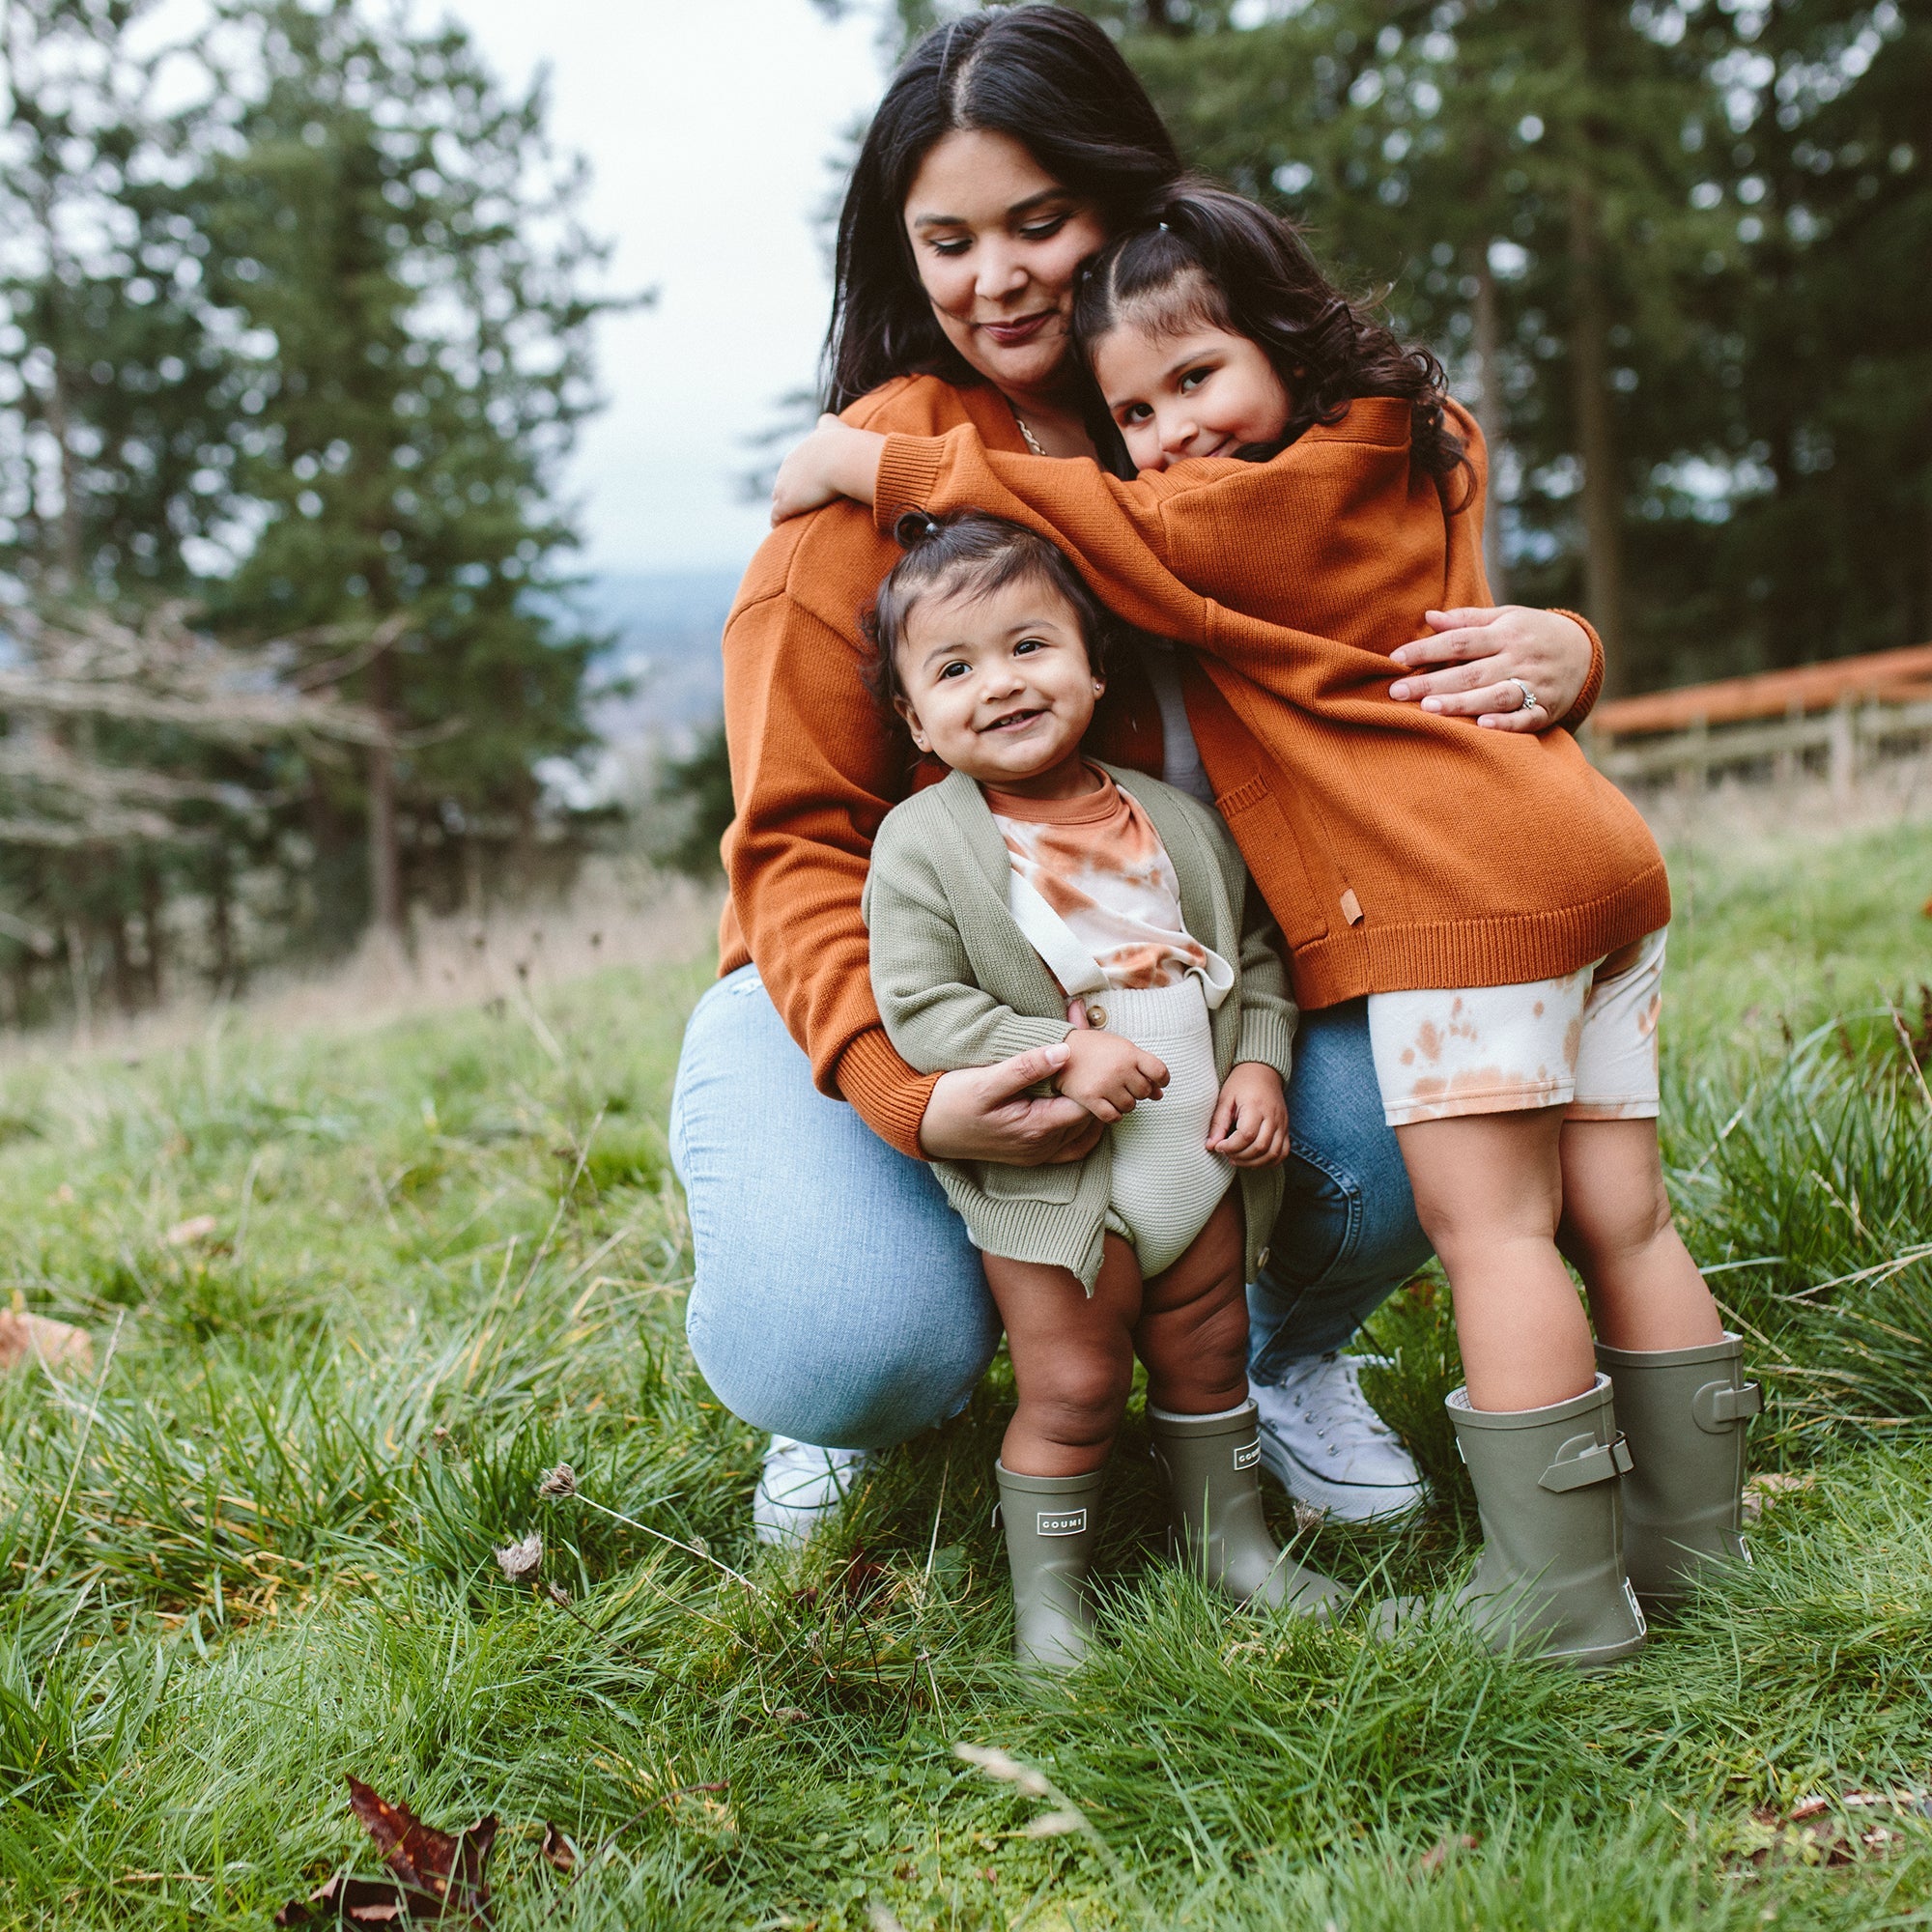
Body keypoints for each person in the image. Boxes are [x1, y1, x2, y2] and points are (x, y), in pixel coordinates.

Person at [774, 181, 1762, 1663]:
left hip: (1462, 896)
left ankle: (1556, 1601)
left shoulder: (1240, 507)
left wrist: (871, 457)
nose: (1172, 436)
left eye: (1197, 379)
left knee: (1497, 1232)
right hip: (1591, 857)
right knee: (1625, 1215)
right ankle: (1696, 1553)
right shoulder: (1409, 438)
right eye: (1142, 411)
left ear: (1285, 350)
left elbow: (1082, 510)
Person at [671, 5, 1605, 1555]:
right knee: (849, 1341)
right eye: (949, 240)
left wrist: (1565, 648)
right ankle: (860, 1384)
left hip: (1201, 991)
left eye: (1041, 221)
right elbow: (794, 852)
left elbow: (1419, 645)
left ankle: (1265, 1356)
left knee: (1406, 1094)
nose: (998, 278)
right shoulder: (858, 494)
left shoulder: (1239, 423)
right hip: (878, 996)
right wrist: (912, 1095)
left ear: (1124, 196)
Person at [860, 508, 1340, 1668]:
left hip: (1198, 1154)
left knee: (1208, 1347)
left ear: (1089, 658)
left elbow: (1258, 954)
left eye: (1031, 645)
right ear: (914, 718)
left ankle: (1233, 1547)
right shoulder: (923, 845)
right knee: (1072, 1384)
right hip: (1059, 1174)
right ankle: (1051, 1614)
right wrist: (1057, 1046)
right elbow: (918, 1005)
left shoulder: (1172, 819)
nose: (1002, 684)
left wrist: (1263, 1062)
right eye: (955, 667)